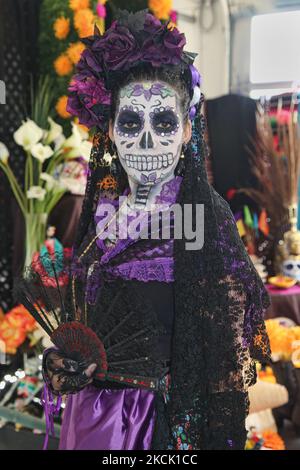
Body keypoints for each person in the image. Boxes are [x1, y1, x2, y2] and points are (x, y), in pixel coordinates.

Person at [42, 10, 271, 450]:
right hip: (91, 423)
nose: (146, 142)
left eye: (163, 123)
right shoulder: (101, 214)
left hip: (153, 430)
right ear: (110, 129)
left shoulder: (203, 218)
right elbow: (83, 319)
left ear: (187, 130)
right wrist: (63, 362)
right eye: (131, 123)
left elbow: (222, 361)